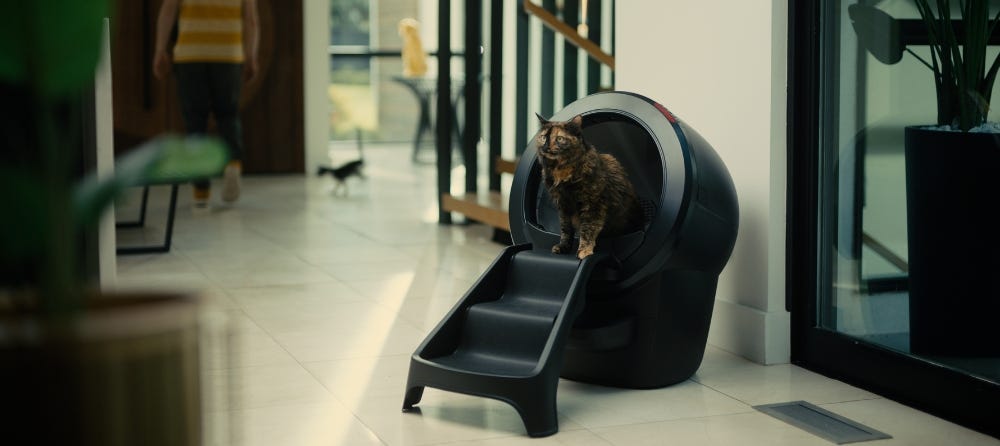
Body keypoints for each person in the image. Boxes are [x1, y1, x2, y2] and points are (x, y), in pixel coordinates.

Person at [153, 0, 259, 207]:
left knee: (195, 120)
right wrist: (251, 55)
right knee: (228, 115)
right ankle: (233, 163)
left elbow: (168, 11)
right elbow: (251, 20)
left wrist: (159, 49)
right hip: (228, 54)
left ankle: (200, 190)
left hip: (190, 54)